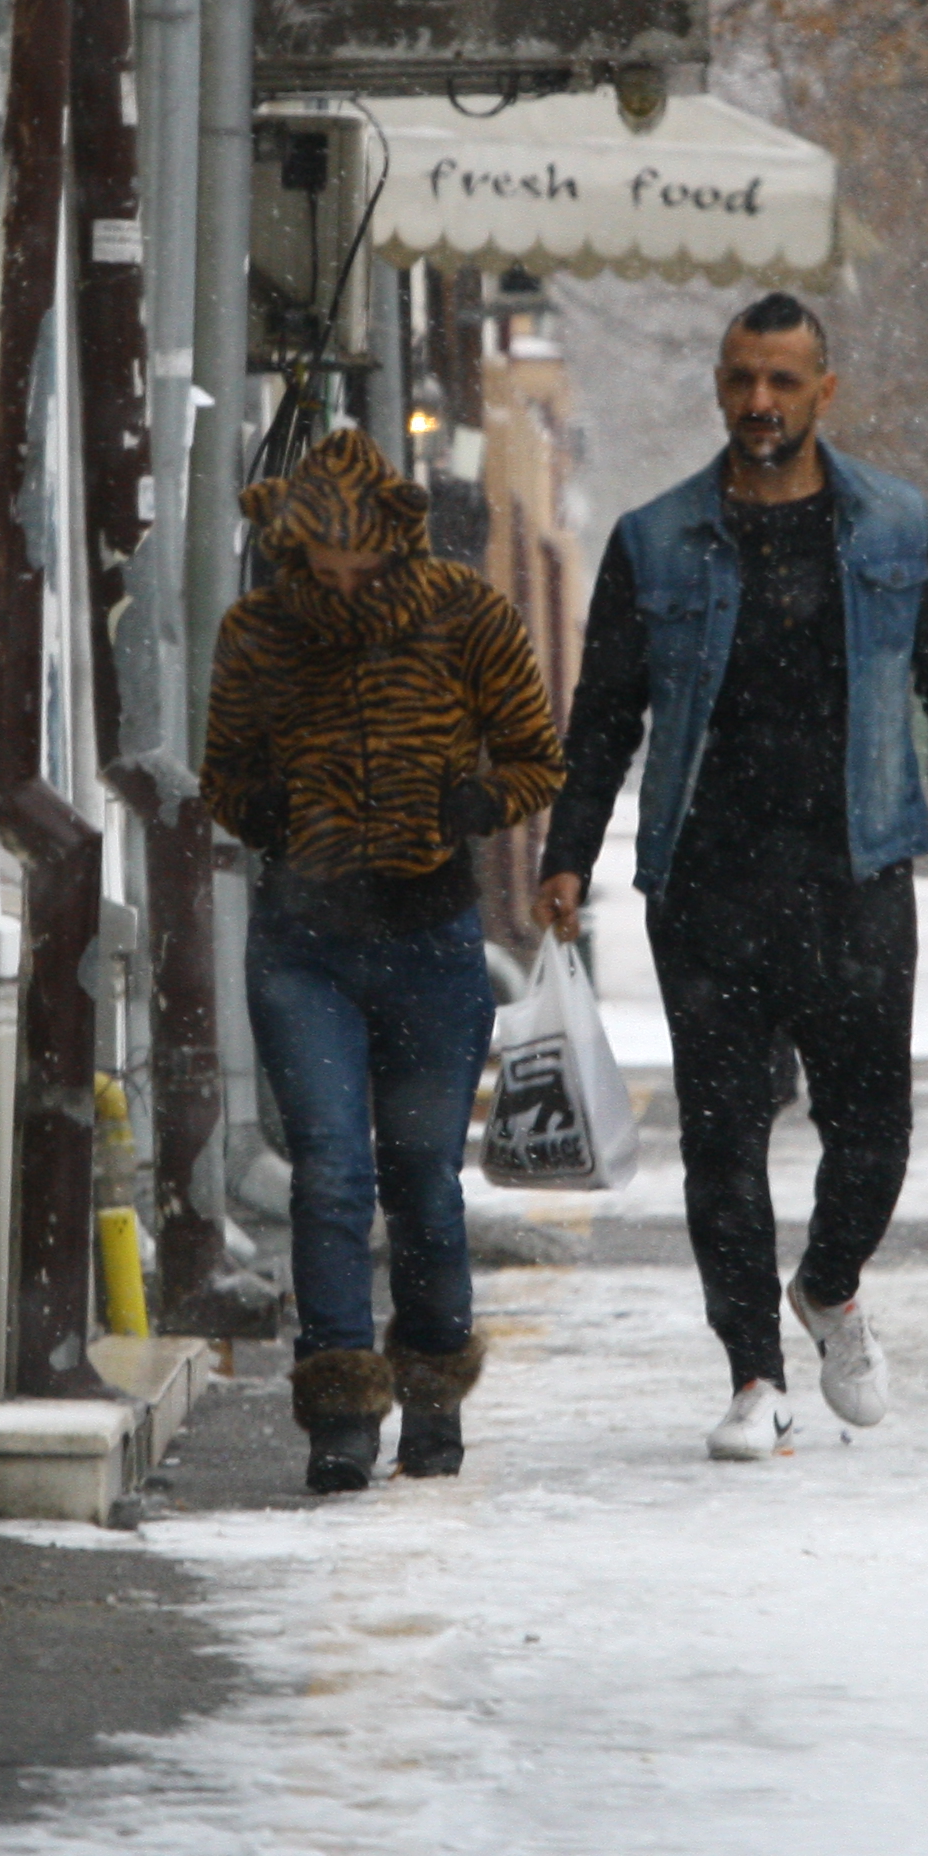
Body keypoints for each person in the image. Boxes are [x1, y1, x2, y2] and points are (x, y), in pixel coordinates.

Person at [537, 294, 928, 1462]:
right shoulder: (656, 540)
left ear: (824, 391)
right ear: (721, 386)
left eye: (784, 382)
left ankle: (831, 1283)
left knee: (873, 1136)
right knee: (722, 1136)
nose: (761, 402)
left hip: (855, 872)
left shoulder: (896, 527)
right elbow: (604, 715)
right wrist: (567, 850)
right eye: (743, 379)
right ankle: (753, 1375)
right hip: (705, 886)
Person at [200, 429, 565, 1493]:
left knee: (422, 1181)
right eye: (322, 570)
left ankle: (436, 1396)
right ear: (291, 554)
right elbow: (224, 772)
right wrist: (266, 810)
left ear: (397, 549)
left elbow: (536, 753)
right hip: (304, 940)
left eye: (360, 569)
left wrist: (471, 805)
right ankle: (341, 1411)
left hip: (428, 938)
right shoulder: (260, 635)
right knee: (330, 1172)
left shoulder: (466, 617)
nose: (343, 587)